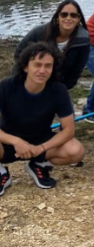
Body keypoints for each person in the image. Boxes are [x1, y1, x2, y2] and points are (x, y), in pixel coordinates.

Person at [0, 42, 85, 195]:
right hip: (7, 141)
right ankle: (1, 172)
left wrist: (41, 148)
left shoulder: (58, 90)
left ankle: (38, 164)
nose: (42, 70)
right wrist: (16, 142)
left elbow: (69, 130)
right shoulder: (6, 87)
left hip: (40, 141)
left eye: (48, 66)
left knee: (75, 151)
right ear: (26, 67)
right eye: (37, 65)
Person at [14, 0, 89, 90]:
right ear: (58, 17)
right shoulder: (39, 32)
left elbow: (76, 72)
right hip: (28, 81)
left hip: (57, 86)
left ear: (78, 19)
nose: (68, 18)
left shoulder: (83, 41)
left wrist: (60, 89)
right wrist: (31, 78)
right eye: (64, 14)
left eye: (73, 15)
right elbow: (19, 53)